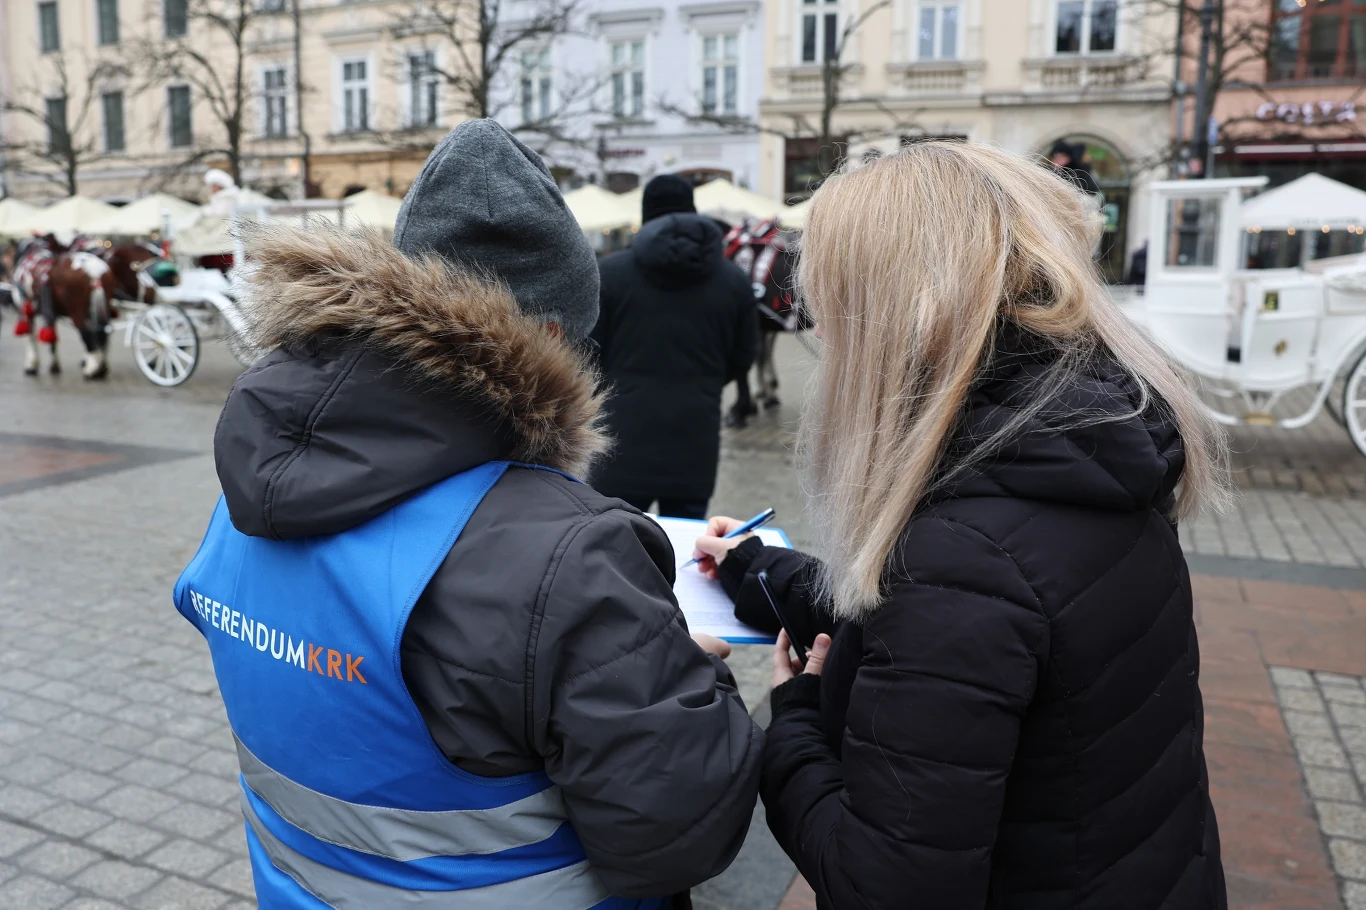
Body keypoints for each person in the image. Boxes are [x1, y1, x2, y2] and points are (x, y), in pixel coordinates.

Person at [173, 120, 762, 910]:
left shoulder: (244, 500)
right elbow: (680, 835)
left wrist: (620, 658)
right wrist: (686, 673)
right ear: (550, 337)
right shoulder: (573, 556)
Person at [692, 142, 1230, 909]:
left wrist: (794, 723)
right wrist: (757, 570)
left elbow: (882, 885)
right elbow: (955, 630)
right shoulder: (1081, 450)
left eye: (832, 313)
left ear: (889, 320)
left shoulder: (962, 552)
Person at [590, 174, 758, 519]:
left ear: (646, 213)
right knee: (685, 556)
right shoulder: (733, 281)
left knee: (613, 551)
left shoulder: (609, 274)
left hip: (621, 439)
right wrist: (705, 383)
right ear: (692, 210)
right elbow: (744, 356)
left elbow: (588, 353)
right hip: (694, 438)